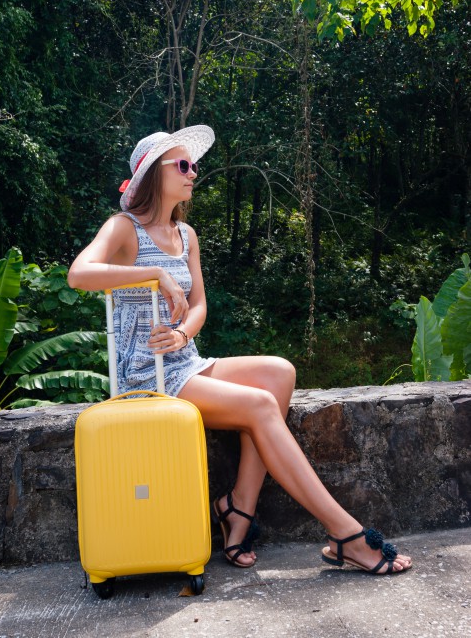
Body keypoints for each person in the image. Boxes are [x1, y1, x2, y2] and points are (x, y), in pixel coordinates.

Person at [68, 125, 412, 575]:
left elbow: (199, 306)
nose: (194, 173)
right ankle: (345, 534)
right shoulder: (123, 228)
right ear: (153, 173)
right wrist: (153, 273)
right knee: (260, 405)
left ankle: (238, 508)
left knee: (279, 372)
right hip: (145, 375)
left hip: (182, 361)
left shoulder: (186, 234)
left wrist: (183, 334)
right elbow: (79, 274)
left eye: (194, 165)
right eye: (183, 165)